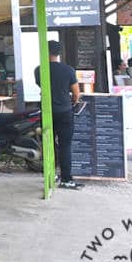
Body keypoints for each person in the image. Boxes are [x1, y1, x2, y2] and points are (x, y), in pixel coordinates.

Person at [34, 40, 83, 189]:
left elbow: (41, 85)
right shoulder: (68, 70)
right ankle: (66, 179)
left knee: (48, 145)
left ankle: (51, 174)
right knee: (65, 146)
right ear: (58, 53)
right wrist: (73, 102)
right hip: (65, 112)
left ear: (45, 51)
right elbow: (76, 93)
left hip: (47, 111)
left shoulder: (39, 69)